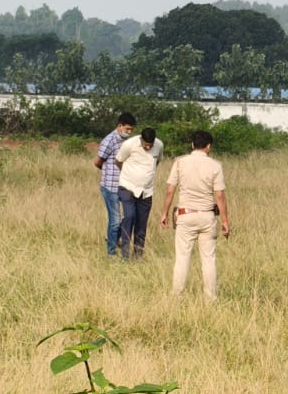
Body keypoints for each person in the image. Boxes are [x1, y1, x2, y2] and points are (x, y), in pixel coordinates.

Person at [160, 130, 231, 300]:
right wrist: (225, 220)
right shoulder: (215, 166)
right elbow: (219, 195)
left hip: (185, 215)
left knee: (182, 258)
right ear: (208, 146)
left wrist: (164, 213)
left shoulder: (179, 162)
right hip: (207, 216)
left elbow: (170, 191)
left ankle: (177, 296)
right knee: (209, 259)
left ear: (192, 145)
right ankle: (210, 298)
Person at [115, 127, 163, 259]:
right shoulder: (129, 144)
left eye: (150, 145)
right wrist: (129, 174)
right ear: (141, 139)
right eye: (145, 145)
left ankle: (138, 255)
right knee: (129, 217)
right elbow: (118, 160)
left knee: (141, 224)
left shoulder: (159, 145)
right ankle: (124, 254)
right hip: (127, 186)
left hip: (146, 191)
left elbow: (157, 161)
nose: (147, 147)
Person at [94, 112, 137, 256]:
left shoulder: (128, 142)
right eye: (127, 129)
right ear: (119, 126)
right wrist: (108, 171)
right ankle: (111, 252)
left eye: (131, 130)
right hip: (110, 186)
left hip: (125, 185)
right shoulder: (109, 140)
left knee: (129, 216)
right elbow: (98, 162)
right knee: (116, 220)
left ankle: (112, 238)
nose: (129, 132)